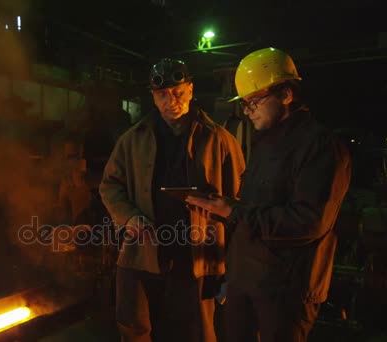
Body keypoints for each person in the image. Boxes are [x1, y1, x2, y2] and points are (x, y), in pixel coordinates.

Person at [185, 47, 352, 342]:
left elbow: (309, 221)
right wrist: (221, 212)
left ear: (286, 94)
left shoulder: (320, 147)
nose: (247, 111)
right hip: (246, 281)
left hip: (286, 291)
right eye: (245, 104)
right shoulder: (265, 143)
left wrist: (234, 212)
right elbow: (254, 209)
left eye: (254, 101)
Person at [99, 58, 245, 342]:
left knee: (196, 331)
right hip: (143, 248)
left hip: (197, 252)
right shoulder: (133, 140)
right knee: (133, 325)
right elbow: (110, 185)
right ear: (153, 96)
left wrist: (233, 261)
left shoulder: (219, 139)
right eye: (162, 94)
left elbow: (241, 201)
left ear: (190, 90)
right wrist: (129, 217)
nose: (171, 101)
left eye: (178, 92)